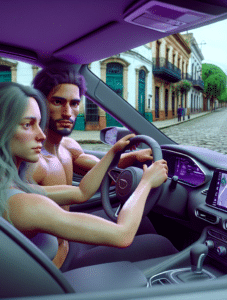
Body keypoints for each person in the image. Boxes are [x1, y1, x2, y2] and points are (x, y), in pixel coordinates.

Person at [0, 82, 177, 271]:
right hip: (57, 277)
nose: (40, 135)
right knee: (161, 244)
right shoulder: (23, 204)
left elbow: (81, 193)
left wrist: (113, 153)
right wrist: (145, 183)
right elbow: (122, 235)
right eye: (28, 125)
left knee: (146, 227)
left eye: (39, 123)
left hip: (47, 265)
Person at [31, 68, 177, 270]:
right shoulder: (33, 163)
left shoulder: (67, 147)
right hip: (58, 264)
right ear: (40, 104)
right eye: (58, 102)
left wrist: (132, 155)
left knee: (144, 223)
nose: (68, 113)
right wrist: (146, 182)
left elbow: (96, 170)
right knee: (161, 245)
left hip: (68, 237)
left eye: (74, 103)